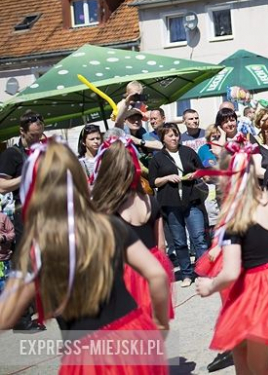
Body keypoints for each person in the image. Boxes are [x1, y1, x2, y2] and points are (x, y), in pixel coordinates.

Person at [0, 141, 169, 370]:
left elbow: (5, 317)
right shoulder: (108, 225)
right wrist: (160, 323)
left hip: (89, 354)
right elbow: (157, 275)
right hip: (133, 335)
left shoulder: (40, 248)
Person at [194, 140, 268, 375]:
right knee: (240, 346)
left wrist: (209, 286)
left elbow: (229, 273)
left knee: (261, 366)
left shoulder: (236, 219)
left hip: (262, 291)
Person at [91, 138, 175, 321]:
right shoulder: (150, 200)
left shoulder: (106, 207)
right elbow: (161, 246)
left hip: (126, 276)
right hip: (153, 269)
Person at [0, 110, 45, 332]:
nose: (38, 139)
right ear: (22, 131)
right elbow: (3, 185)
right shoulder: (13, 154)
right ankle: (20, 318)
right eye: (34, 135)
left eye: (40, 134)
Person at [148, 123, 208, 288]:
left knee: (199, 238)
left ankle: (204, 272)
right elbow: (153, 182)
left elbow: (202, 171)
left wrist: (194, 174)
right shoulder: (157, 158)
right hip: (171, 204)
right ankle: (187, 273)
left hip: (192, 200)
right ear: (163, 138)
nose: (174, 138)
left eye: (176, 135)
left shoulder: (188, 152)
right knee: (179, 241)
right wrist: (167, 178)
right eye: (170, 135)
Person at [0, 210, 13, 294]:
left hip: (4, 261)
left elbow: (12, 234)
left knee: (5, 293)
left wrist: (3, 238)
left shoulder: (3, 217)